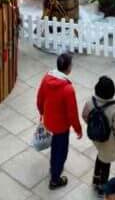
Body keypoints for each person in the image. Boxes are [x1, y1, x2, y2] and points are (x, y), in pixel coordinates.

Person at [37, 52, 82, 190]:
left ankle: (53, 168)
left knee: (54, 149)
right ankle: (55, 179)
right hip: (61, 128)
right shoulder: (67, 89)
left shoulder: (46, 79)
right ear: (68, 68)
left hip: (48, 122)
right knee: (60, 151)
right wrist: (78, 129)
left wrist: (42, 113)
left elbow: (39, 99)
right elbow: (72, 114)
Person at [82, 76, 115, 195]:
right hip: (108, 140)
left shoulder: (90, 102)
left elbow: (84, 115)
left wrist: (92, 126)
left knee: (100, 156)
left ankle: (96, 179)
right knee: (106, 162)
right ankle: (102, 186)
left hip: (95, 137)